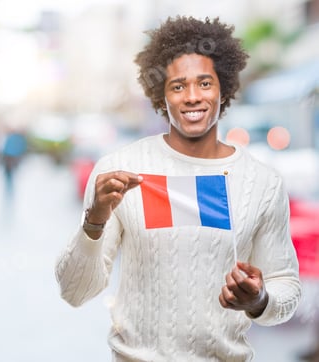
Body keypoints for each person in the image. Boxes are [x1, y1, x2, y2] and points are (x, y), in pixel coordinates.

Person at [55, 16, 301, 362]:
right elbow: (75, 291)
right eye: (177, 86)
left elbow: (286, 286)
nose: (192, 97)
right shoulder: (120, 170)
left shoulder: (261, 182)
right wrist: (93, 221)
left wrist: (260, 301)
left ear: (224, 88)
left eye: (204, 83)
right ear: (161, 95)